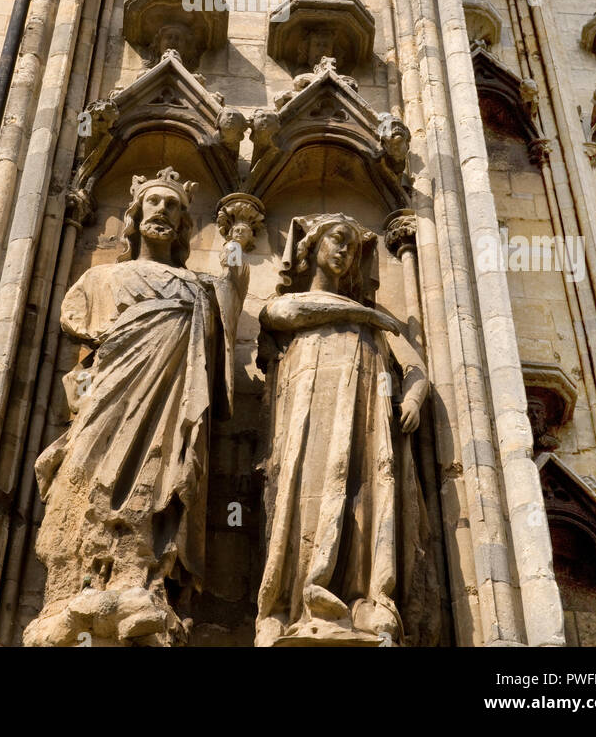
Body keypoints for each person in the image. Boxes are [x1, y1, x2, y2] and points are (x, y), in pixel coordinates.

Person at [24, 168, 246, 647]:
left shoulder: (198, 288)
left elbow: (217, 346)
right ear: (135, 214)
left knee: (163, 479)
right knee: (85, 477)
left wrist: (235, 267)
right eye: (154, 203)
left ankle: (140, 575)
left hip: (170, 407)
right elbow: (85, 343)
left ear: (185, 223)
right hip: (108, 399)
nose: (162, 211)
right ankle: (77, 582)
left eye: (173, 206)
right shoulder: (99, 280)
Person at [256, 213, 434, 647]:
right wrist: (367, 316)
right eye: (337, 240)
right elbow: (283, 311)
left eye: (353, 248)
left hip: (368, 425)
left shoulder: (375, 321)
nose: (344, 252)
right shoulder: (308, 307)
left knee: (366, 505)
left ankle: (367, 601)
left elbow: (415, 368)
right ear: (311, 247)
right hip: (309, 422)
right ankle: (304, 604)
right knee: (306, 502)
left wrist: (411, 398)